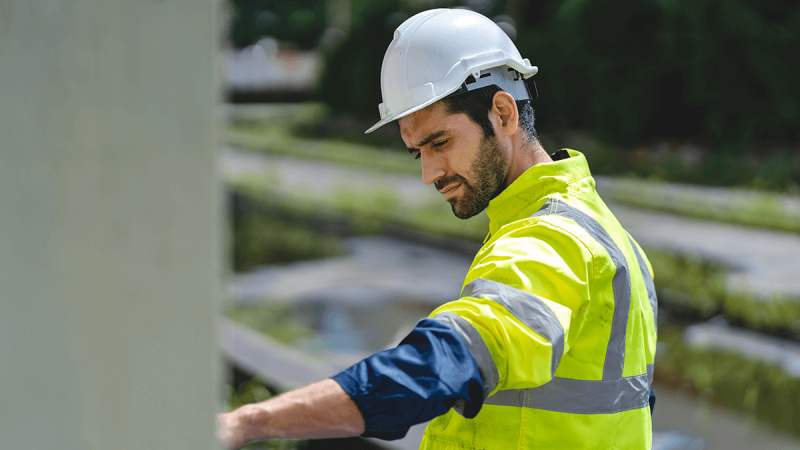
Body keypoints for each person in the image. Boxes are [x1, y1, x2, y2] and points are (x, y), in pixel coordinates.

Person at [218, 8, 658, 450]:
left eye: (440, 142)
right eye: (417, 152)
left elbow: (440, 364)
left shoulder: (551, 240)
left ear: (503, 114)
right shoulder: (601, 230)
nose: (429, 173)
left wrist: (249, 422)